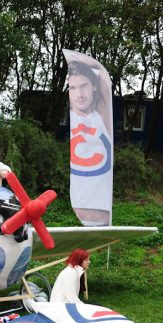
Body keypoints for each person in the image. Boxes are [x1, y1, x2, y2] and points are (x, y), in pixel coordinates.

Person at [68, 61, 112, 226]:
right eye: (73, 88)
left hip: (102, 212)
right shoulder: (72, 116)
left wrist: (79, 60)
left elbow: (103, 79)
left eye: (84, 86)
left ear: (94, 86)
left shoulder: (101, 115)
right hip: (81, 206)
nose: (79, 94)